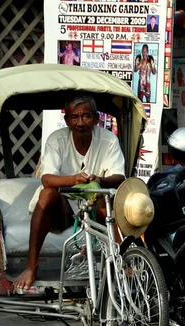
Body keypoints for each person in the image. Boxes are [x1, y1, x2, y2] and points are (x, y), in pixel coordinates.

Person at [14, 96, 126, 291]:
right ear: (67, 120)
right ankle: (31, 267)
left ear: (96, 118)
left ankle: (121, 260)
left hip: (95, 206)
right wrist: (75, 179)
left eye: (86, 116)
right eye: (74, 117)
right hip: (63, 210)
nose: (80, 123)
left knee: (113, 197)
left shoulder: (108, 140)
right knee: (47, 194)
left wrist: (99, 180)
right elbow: (47, 179)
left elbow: (119, 176)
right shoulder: (57, 139)